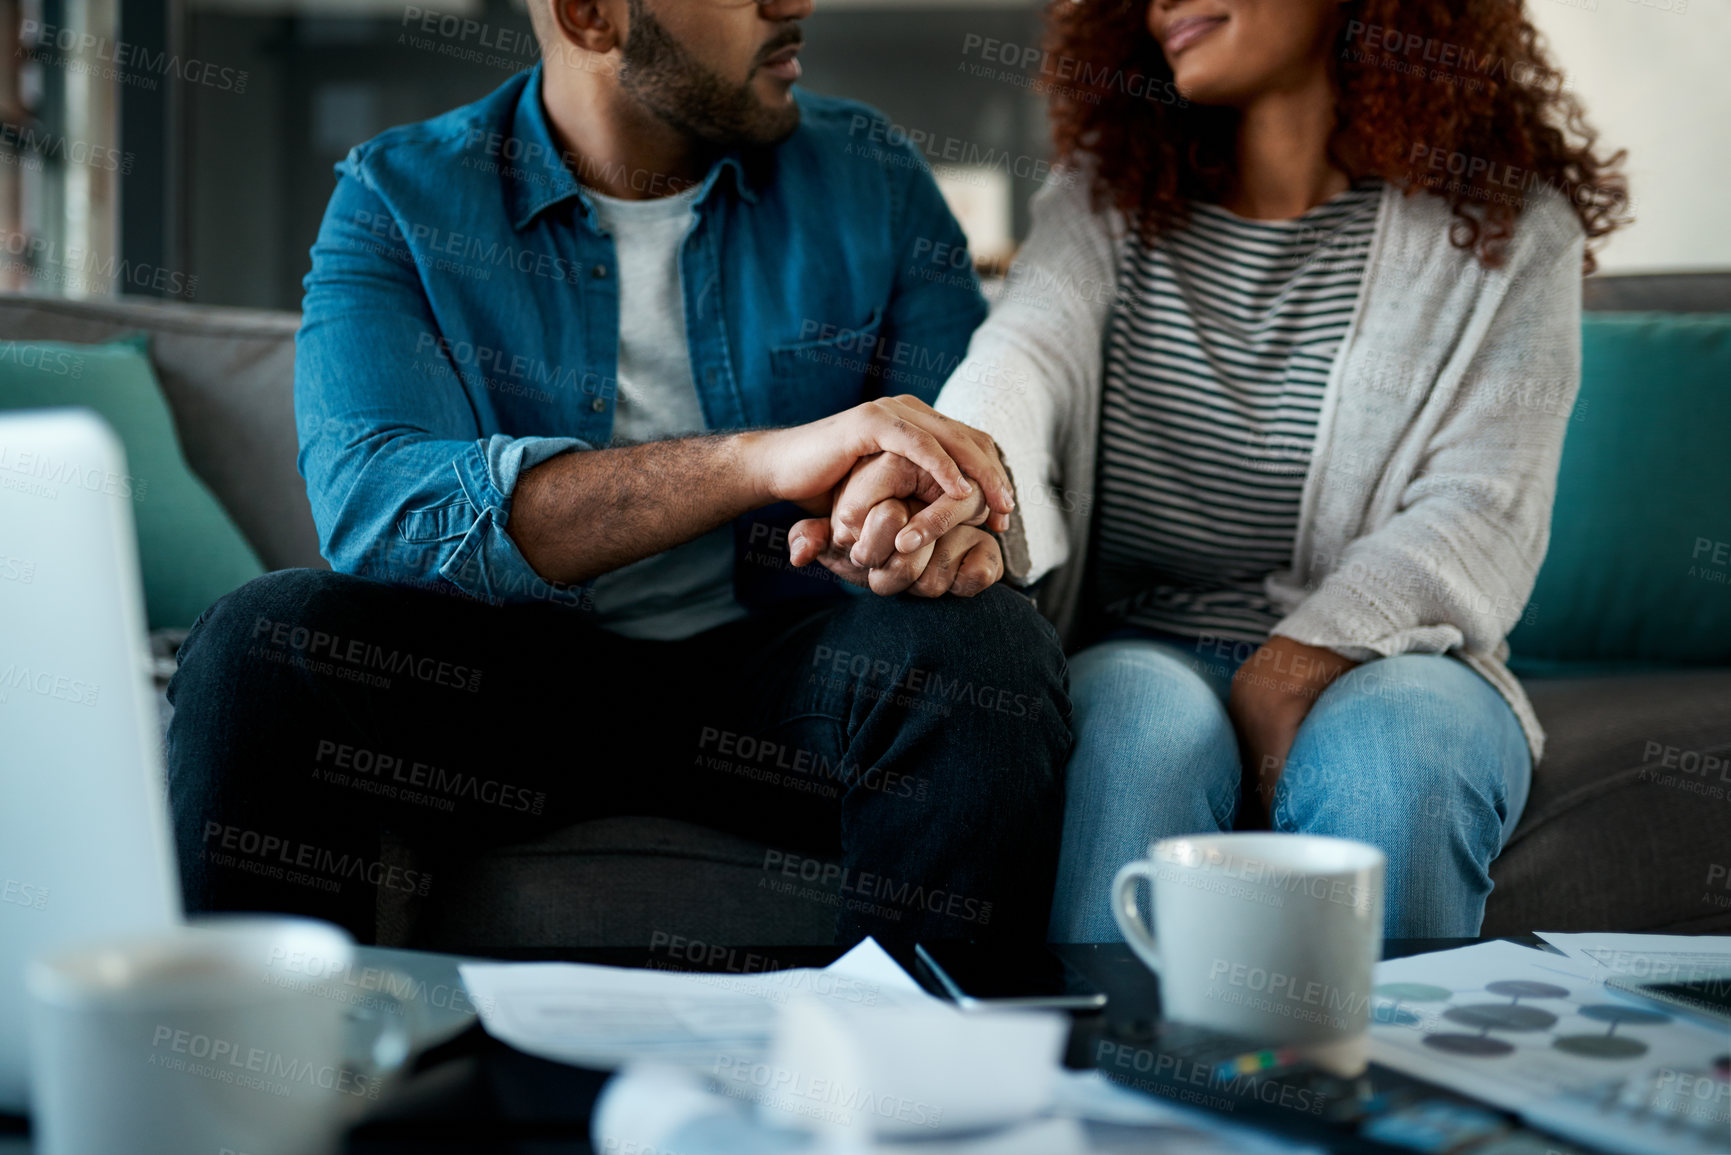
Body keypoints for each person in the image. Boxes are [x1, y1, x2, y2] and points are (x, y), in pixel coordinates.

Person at [166, 0, 1072, 950]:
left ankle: (938, 1076)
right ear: (592, 16)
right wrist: (757, 462)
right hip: (504, 694)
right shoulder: (400, 196)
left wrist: (899, 513)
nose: (795, 3)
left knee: (980, 650)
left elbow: (935, 443)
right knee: (259, 642)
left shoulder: (871, 178)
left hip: (784, 688)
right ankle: (265, 1075)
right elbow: (382, 508)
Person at [792, 0, 1628, 939]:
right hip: (1146, 643)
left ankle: (1388, 1080)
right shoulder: (1102, 198)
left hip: (1401, 656)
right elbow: (1021, 357)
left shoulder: (1511, 227)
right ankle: (1128, 1075)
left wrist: (1294, 661)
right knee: (1139, 736)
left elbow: (1483, 507)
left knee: (1401, 760)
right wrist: (941, 473)